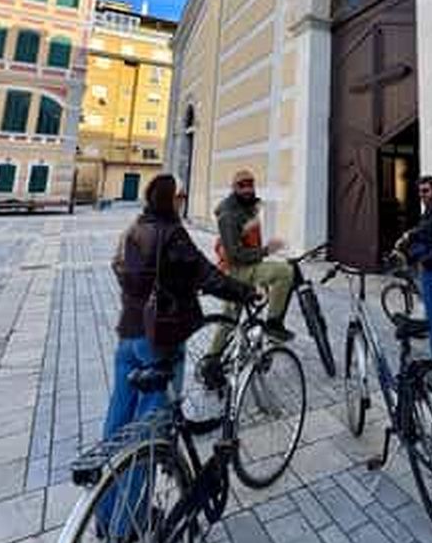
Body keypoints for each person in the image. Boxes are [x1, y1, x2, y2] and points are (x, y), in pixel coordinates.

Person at [102, 173, 250, 446]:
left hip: (128, 336)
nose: (182, 204)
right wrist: (246, 292)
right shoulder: (172, 233)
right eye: (181, 198)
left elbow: (123, 271)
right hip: (158, 339)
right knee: (149, 431)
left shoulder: (134, 229)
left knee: (119, 414)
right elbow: (207, 275)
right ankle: (132, 487)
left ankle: (107, 482)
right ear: (171, 200)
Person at [210, 169, 293, 352]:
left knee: (231, 317)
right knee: (284, 272)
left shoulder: (249, 207)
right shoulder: (229, 214)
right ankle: (273, 324)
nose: (247, 189)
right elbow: (234, 254)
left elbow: (252, 239)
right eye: (242, 186)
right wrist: (266, 251)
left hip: (249, 266)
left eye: (250, 185)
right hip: (236, 270)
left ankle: (215, 359)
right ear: (233, 188)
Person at [396, 174, 432, 366]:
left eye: (426, 191)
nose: (423, 195)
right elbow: (423, 229)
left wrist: (423, 261)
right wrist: (408, 235)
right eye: (420, 191)